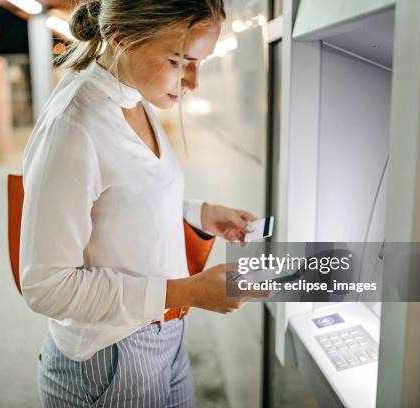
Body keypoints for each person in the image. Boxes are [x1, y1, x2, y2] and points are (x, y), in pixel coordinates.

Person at [20, 1, 256, 406]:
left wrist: (199, 213)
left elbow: (120, 200)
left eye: (201, 62)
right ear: (122, 38)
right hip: (110, 357)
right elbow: (46, 287)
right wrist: (187, 292)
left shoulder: (133, 95)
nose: (193, 82)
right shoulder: (75, 125)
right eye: (180, 61)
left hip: (165, 335)